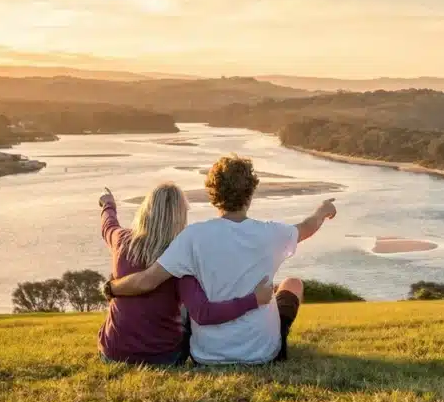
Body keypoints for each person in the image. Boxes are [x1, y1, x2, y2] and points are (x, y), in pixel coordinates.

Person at [108, 156, 337, 365]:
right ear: (250, 194)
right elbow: (307, 227)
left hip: (207, 356)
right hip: (262, 353)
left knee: (188, 305)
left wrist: (112, 287)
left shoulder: (191, 237)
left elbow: (147, 281)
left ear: (213, 196)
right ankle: (279, 336)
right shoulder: (272, 234)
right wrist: (322, 210)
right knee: (292, 284)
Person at [98, 182, 275, 366]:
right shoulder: (181, 257)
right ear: (180, 216)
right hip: (163, 358)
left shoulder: (120, 240)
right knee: (188, 310)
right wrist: (254, 299)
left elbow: (108, 224)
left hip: (113, 353)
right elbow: (203, 313)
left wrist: (108, 204)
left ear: (146, 210)